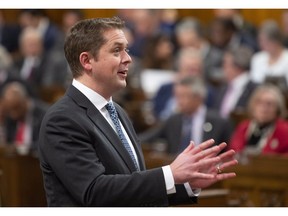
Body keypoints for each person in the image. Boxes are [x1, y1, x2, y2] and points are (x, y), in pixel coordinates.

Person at [38, 17, 237, 207]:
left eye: (127, 50)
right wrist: (169, 174)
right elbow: (94, 192)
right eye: (117, 51)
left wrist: (187, 183)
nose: (128, 59)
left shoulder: (118, 112)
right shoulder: (62, 119)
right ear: (87, 61)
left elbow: (132, 189)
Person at [139, 76, 233, 155]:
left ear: (199, 97)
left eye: (184, 96)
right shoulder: (173, 120)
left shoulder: (219, 122)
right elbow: (148, 138)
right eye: (177, 96)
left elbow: (230, 151)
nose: (179, 101)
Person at [228, 84, 288, 155]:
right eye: (259, 102)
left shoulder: (285, 130)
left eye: (269, 104)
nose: (264, 108)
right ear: (253, 105)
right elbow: (232, 152)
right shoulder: (243, 127)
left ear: (278, 109)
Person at [210, 46, 258, 120]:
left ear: (237, 67)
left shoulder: (255, 90)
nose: (223, 68)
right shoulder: (223, 87)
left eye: (225, 64)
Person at [1, 81, 48, 155]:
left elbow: (46, 145)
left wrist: (22, 148)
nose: (14, 115)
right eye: (10, 110)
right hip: (16, 162)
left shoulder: (45, 115)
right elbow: (8, 142)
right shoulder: (10, 117)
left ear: (25, 100)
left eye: (16, 108)